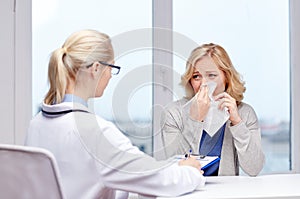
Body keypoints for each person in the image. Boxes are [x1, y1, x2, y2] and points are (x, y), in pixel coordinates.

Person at [25, 29, 205, 199]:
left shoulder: (37, 124)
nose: (111, 75)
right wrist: (189, 171)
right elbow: (163, 181)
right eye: (111, 67)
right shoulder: (95, 131)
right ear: (96, 68)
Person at [160, 43, 265, 177]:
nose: (204, 83)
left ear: (226, 77)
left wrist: (237, 123)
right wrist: (194, 120)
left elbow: (254, 168)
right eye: (196, 76)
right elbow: (176, 167)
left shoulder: (244, 113)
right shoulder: (173, 113)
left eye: (211, 75)